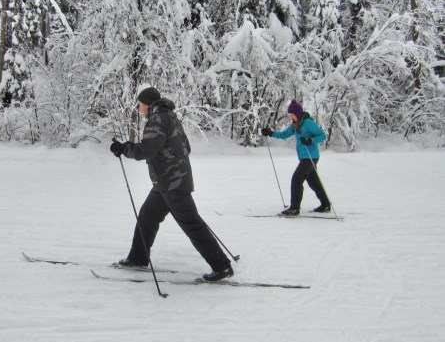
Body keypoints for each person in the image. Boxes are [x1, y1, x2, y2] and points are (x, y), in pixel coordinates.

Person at [109, 86, 233, 281]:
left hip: (172, 184)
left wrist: (124, 148)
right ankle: (138, 258)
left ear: (148, 104)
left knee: (192, 224)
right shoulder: (171, 117)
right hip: (165, 183)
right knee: (147, 218)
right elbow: (186, 147)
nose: (139, 108)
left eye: (140, 105)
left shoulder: (157, 119)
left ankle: (222, 266)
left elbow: (146, 150)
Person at [261, 100, 331, 216]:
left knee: (296, 180)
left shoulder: (307, 123)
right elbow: (284, 134)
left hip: (310, 157)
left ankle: (294, 208)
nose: (290, 117)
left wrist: (310, 141)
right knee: (313, 182)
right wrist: (270, 133)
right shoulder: (296, 124)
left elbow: (322, 135)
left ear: (297, 113)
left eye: (292, 114)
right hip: (306, 157)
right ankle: (325, 204)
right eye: (289, 115)